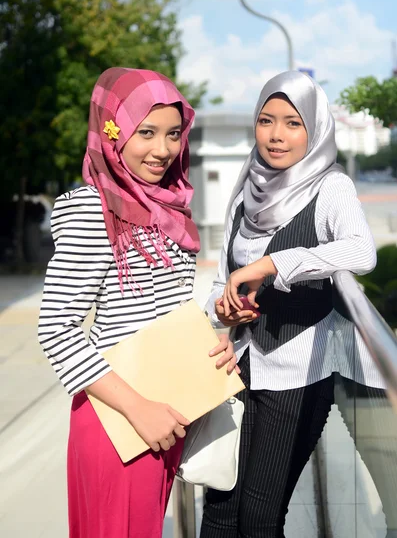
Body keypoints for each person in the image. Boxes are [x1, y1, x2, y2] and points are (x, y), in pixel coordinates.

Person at [37, 68, 237, 538]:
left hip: (166, 416)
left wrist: (215, 340)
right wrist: (138, 409)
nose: (163, 150)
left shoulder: (166, 208)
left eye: (172, 134)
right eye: (145, 133)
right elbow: (56, 329)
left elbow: (158, 310)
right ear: (113, 132)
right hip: (119, 419)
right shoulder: (95, 209)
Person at [200, 70, 385, 538]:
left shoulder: (331, 187)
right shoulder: (247, 191)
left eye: (292, 122)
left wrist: (271, 266)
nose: (276, 134)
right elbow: (223, 281)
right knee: (220, 513)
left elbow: (361, 252)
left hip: (299, 373)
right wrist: (223, 309)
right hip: (239, 367)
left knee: (261, 519)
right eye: (266, 120)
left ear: (315, 129)